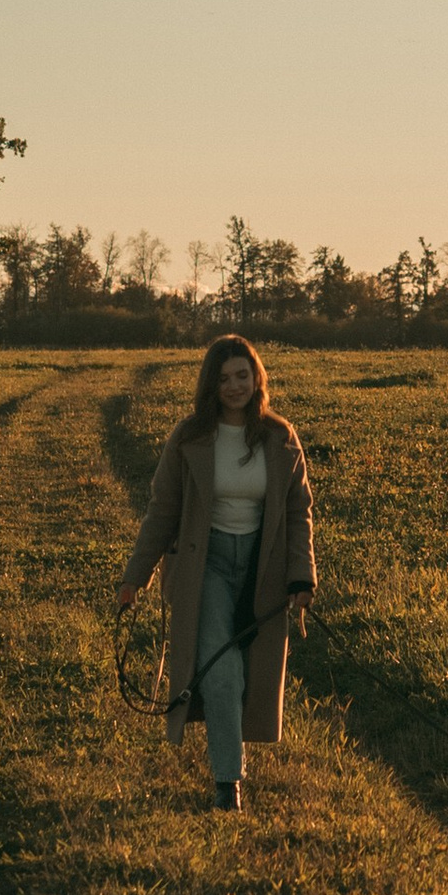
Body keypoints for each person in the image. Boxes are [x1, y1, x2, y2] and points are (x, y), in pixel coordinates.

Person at [116, 336, 316, 812]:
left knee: (249, 673)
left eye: (242, 376)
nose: (234, 386)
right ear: (211, 384)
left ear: (256, 378)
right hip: (202, 568)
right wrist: (134, 579)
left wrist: (301, 574)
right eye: (224, 378)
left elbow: (298, 509)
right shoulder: (189, 438)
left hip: (261, 570)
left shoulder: (279, 436)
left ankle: (229, 768)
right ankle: (229, 785)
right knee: (222, 672)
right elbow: (162, 511)